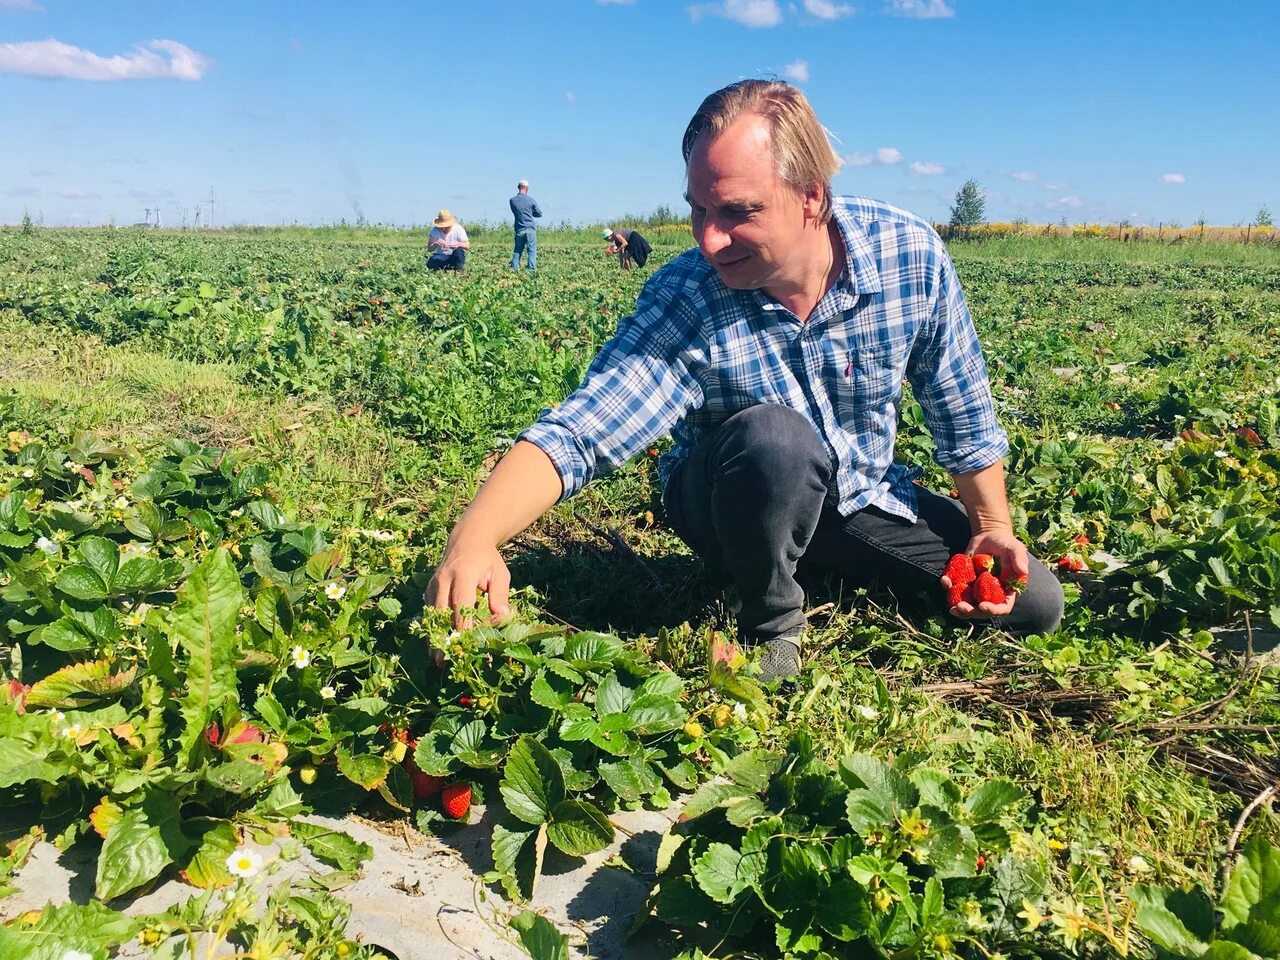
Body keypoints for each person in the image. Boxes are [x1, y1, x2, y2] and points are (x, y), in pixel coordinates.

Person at [429, 80, 1064, 682]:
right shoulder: (689, 295)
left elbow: (962, 408)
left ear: (811, 196)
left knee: (1031, 601)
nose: (709, 238)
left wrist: (991, 525)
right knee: (776, 440)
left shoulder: (908, 255)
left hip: (858, 493)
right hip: (724, 494)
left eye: (737, 211)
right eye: (698, 209)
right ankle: (771, 623)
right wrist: (473, 539)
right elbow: (586, 427)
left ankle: (809, 557)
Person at [509, 179, 542, 272]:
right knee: (531, 251)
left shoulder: (512, 201)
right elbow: (539, 214)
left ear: (518, 187)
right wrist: (530, 213)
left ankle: (514, 269)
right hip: (530, 229)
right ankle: (531, 270)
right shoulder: (531, 200)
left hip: (519, 229)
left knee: (517, 250)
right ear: (527, 188)